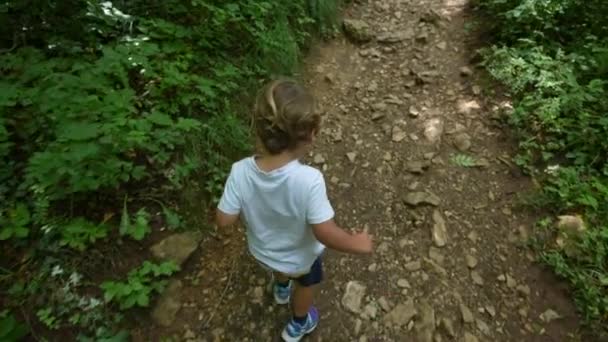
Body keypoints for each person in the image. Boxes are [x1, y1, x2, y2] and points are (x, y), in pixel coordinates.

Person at [215, 79, 373, 341]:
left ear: (259, 129)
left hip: (263, 252)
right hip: (300, 259)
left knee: (281, 267)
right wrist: (356, 243)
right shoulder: (309, 180)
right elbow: (324, 232)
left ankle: (280, 288)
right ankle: (299, 323)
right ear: (311, 134)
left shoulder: (239, 171)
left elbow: (224, 220)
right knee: (306, 283)